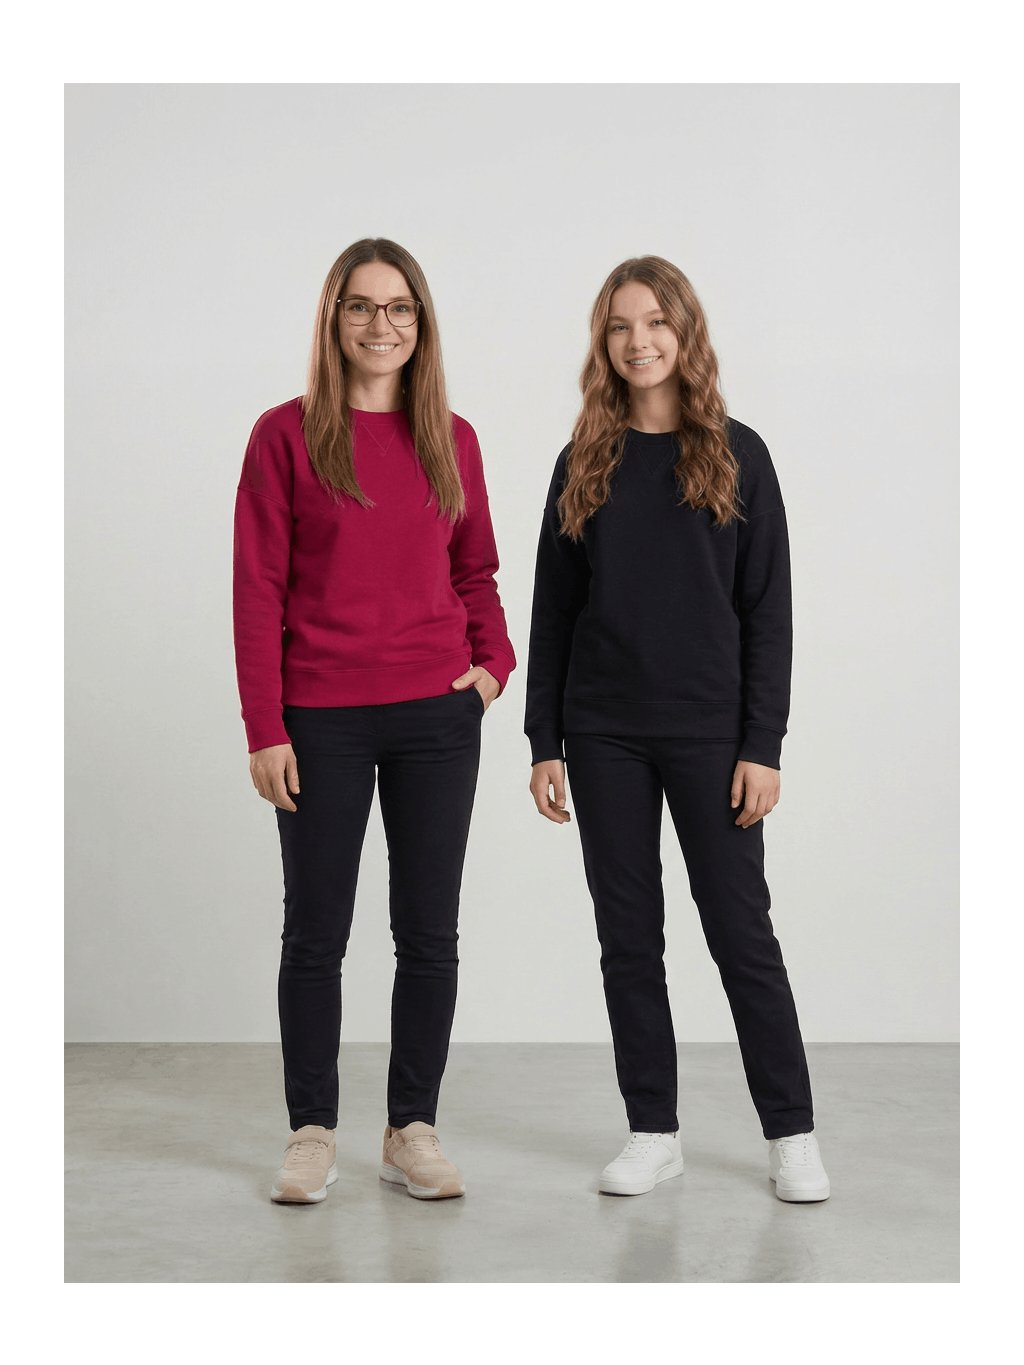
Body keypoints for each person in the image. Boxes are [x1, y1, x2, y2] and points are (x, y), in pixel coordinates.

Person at [525, 255, 829, 1202]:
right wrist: (544, 740)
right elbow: (553, 610)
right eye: (620, 325)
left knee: (741, 933)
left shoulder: (740, 454)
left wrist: (762, 744)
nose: (639, 340)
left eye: (656, 321)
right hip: (603, 733)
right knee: (629, 939)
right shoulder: (582, 461)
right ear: (602, 342)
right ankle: (653, 1130)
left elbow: (768, 611)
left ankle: (793, 1133)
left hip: (711, 735)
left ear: (685, 331)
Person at [233, 238, 515, 1204]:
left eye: (399, 308)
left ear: (420, 323)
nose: (380, 324)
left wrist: (491, 670)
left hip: (437, 716)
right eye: (360, 306)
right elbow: (258, 587)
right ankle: (312, 1130)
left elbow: (475, 569)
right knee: (315, 933)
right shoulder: (284, 435)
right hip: (320, 719)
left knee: (428, 932)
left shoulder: (452, 438)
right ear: (334, 318)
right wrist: (264, 725)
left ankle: (411, 1128)